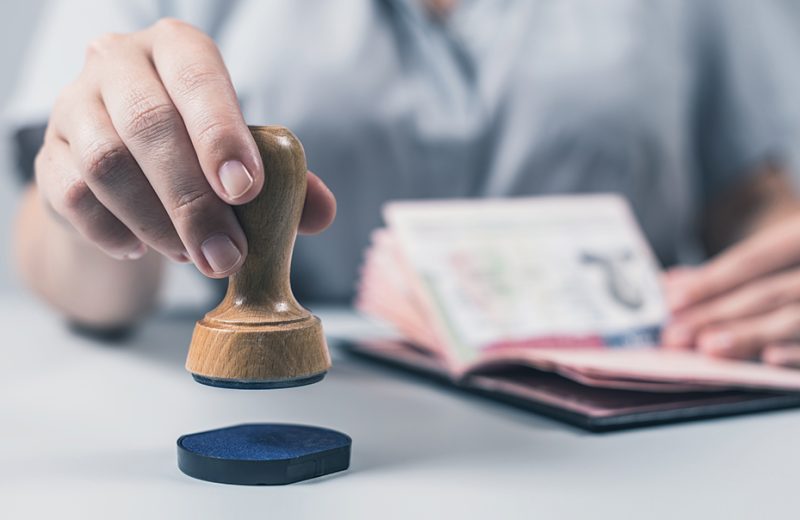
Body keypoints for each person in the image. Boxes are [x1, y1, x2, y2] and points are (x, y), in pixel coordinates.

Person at [7, 0, 800, 366]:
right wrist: (94, 205)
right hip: (329, 408)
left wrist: (775, 268)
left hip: (649, 411)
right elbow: (69, 255)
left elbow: (756, 195)